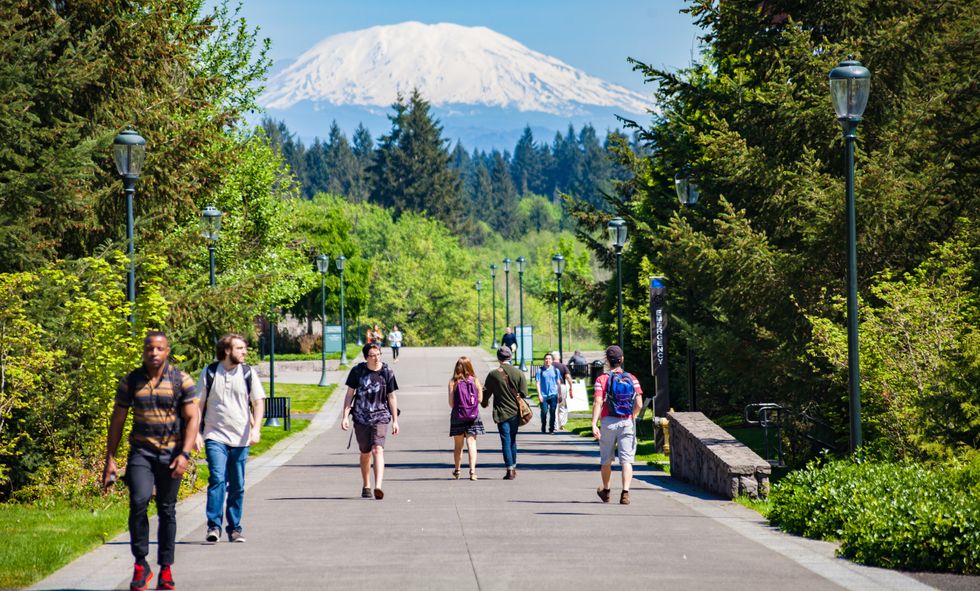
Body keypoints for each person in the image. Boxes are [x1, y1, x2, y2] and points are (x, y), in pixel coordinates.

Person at [102, 331, 199, 591]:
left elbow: (193, 418)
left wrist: (185, 454)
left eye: (159, 349)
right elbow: (118, 420)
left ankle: (165, 569)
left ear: (167, 351)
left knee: (167, 509)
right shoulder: (131, 381)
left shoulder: (181, 380)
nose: (154, 353)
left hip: (171, 455)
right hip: (141, 453)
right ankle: (140, 565)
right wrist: (110, 458)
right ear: (143, 351)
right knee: (138, 501)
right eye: (149, 349)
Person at [195, 333, 266, 544]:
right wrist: (196, 433)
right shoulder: (209, 373)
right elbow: (198, 405)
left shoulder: (248, 373)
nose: (244, 352)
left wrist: (256, 429)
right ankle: (214, 526)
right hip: (214, 435)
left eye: (244, 348)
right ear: (227, 350)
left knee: (237, 484)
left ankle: (234, 528)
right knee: (217, 478)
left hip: (241, 438)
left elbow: (259, 402)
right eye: (240, 348)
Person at [341, 343, 400, 500]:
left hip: (381, 416)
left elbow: (392, 397)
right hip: (361, 417)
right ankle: (366, 484)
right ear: (366, 357)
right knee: (365, 453)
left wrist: (395, 420)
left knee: (378, 450)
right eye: (373, 355)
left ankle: (378, 486)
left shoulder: (386, 371)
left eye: (378, 354)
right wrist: (345, 416)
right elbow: (349, 395)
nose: (376, 358)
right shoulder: (357, 371)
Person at [591, 345, 643, 505]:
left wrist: (594, 423)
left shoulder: (602, 379)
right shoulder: (632, 378)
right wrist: (631, 417)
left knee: (606, 459)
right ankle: (625, 493)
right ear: (622, 360)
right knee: (626, 460)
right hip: (627, 421)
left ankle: (606, 490)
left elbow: (598, 401)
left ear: (607, 360)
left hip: (608, 422)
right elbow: (639, 404)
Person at [481, 346, 527, 480]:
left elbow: (486, 393)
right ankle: (513, 466)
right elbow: (524, 393)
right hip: (515, 412)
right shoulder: (519, 373)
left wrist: (484, 403)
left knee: (505, 440)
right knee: (512, 440)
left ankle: (510, 469)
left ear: (498, 358)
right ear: (510, 357)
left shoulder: (493, 374)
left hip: (501, 412)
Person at [448, 356, 485, 480]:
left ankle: (457, 470)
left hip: (458, 415)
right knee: (472, 443)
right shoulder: (475, 380)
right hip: (473, 416)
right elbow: (480, 399)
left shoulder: (453, 382)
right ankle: (472, 471)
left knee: (458, 446)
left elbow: (451, 403)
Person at [534, 353, 561, 433]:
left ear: (552, 360)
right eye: (546, 359)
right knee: (544, 412)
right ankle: (543, 425)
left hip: (553, 394)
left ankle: (551, 428)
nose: (547, 360)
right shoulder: (540, 370)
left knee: (553, 412)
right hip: (544, 395)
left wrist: (560, 394)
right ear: (544, 360)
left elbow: (558, 382)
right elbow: (537, 383)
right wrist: (539, 394)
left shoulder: (556, 371)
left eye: (549, 359)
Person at [550, 350, 573, 431]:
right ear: (559, 357)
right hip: (562, 386)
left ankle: (555, 425)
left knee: (554, 406)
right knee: (562, 405)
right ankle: (562, 424)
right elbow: (568, 377)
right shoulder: (563, 366)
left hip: (552, 387)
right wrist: (571, 386)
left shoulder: (549, 366)